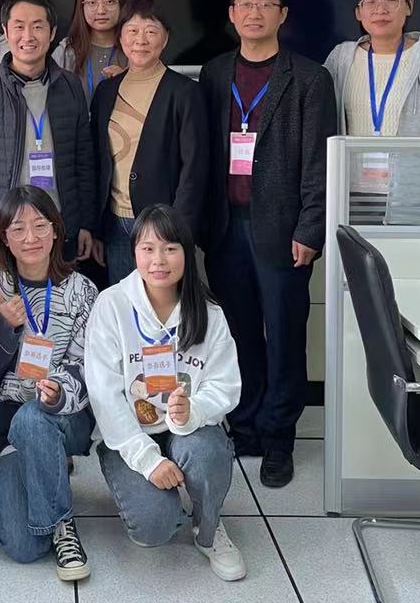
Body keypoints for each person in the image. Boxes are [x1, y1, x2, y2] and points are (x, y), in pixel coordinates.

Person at [197, 0, 338, 488]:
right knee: (238, 334)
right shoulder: (214, 73)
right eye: (245, 4)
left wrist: (311, 228)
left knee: (283, 335)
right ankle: (247, 424)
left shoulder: (309, 79)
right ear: (231, 14)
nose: (254, 13)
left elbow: (320, 162)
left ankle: (280, 436)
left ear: (282, 15)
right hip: (225, 227)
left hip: (283, 229)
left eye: (265, 5)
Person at [85, 204, 246, 581]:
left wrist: (194, 410)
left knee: (206, 452)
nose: (159, 260)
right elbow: (104, 395)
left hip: (189, 430)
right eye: (148, 248)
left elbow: (226, 385)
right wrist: (148, 460)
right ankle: (160, 497)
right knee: (153, 529)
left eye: (170, 248)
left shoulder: (209, 313)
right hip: (130, 436)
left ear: (187, 253)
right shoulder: (112, 305)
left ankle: (209, 529)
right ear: (134, 253)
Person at [0, 186, 98, 580]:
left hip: (65, 415)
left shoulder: (82, 290)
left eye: (40, 226)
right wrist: (3, 327)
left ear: (56, 230)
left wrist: (58, 393)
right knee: (21, 548)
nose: (30, 238)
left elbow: (89, 366)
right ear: (3, 237)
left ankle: (62, 525)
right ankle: (42, 475)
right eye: (18, 229)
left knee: (34, 418)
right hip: (6, 420)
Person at [0, 0, 98, 278]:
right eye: (19, 26)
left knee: (54, 303)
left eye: (37, 26)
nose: (27, 36)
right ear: (6, 31)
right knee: (6, 306)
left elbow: (84, 161)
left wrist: (86, 224)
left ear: (52, 32)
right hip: (2, 233)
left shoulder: (69, 87)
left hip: (58, 229)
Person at [323, 0, 420, 224]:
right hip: (351, 197)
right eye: (371, 2)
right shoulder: (340, 59)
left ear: (409, 6)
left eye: (392, 0)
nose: (381, 9)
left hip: (413, 198)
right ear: (358, 13)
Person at [91, 0, 209, 284]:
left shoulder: (184, 92)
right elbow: (96, 160)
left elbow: (195, 167)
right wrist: (95, 228)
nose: (140, 40)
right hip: (115, 224)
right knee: (125, 302)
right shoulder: (106, 91)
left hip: (162, 227)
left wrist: (178, 229)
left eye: (151, 31)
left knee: (164, 302)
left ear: (165, 38)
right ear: (120, 37)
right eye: (132, 30)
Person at [55, 0, 129, 103]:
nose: (101, 10)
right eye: (92, 3)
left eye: (110, 1)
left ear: (122, 4)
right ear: (81, 6)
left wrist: (128, 83)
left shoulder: (134, 50)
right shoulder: (67, 50)